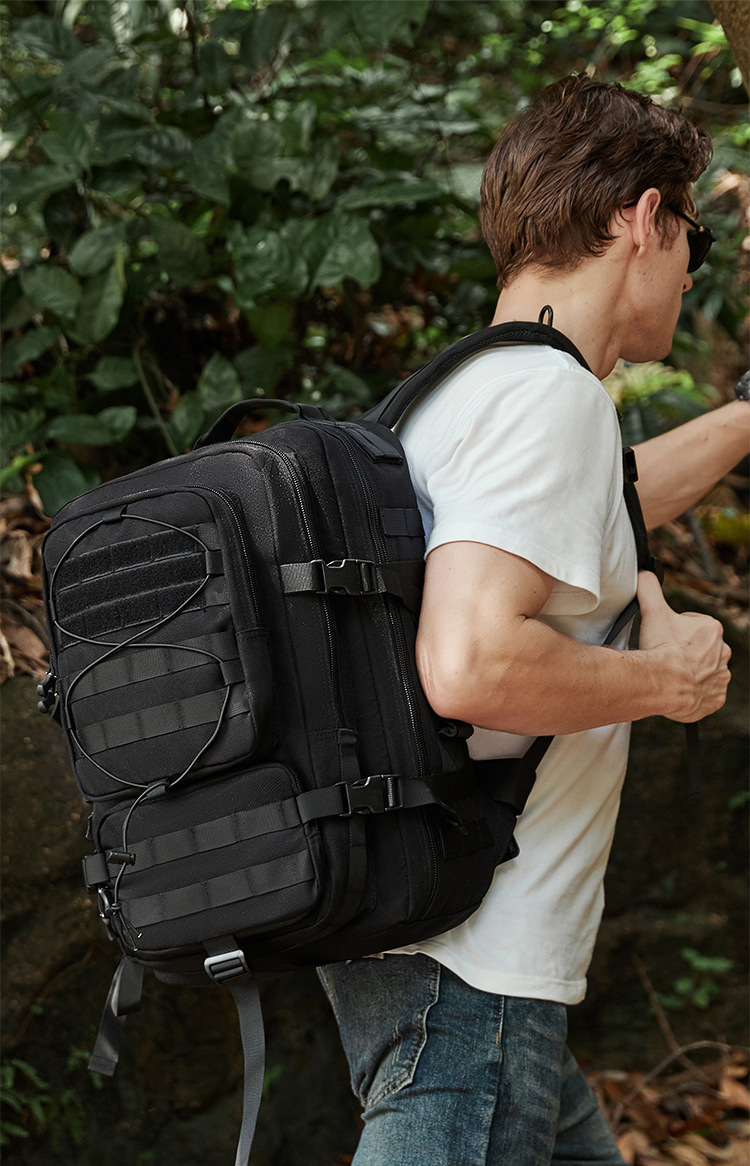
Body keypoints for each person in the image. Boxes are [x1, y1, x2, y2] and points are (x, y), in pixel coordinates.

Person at [317, 75, 749, 1165]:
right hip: (476, 971)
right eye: (692, 237)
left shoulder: (466, 390)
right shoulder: (550, 401)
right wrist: (671, 679)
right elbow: (469, 662)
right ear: (643, 218)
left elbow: (605, 506)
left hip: (427, 941)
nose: (690, 268)